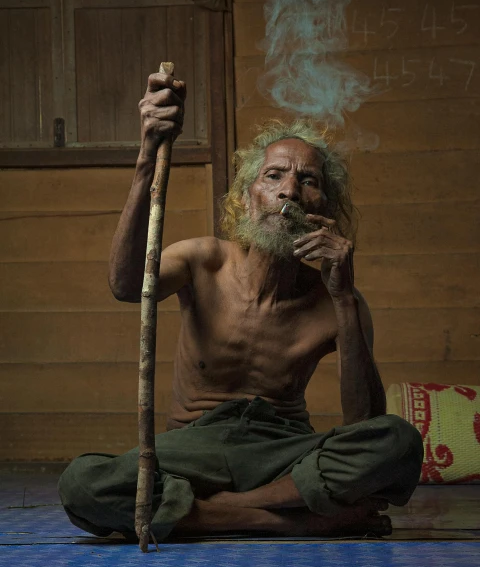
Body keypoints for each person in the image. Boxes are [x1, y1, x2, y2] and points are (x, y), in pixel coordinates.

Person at [58, 70, 423, 540]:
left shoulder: (338, 299)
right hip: (192, 447)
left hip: (282, 451)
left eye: (307, 181)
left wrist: (344, 299)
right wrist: (148, 154)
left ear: (324, 209)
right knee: (81, 483)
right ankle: (287, 521)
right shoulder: (203, 261)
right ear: (246, 197)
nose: (288, 191)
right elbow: (127, 286)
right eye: (274, 176)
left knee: (397, 441)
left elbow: (363, 425)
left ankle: (211, 513)